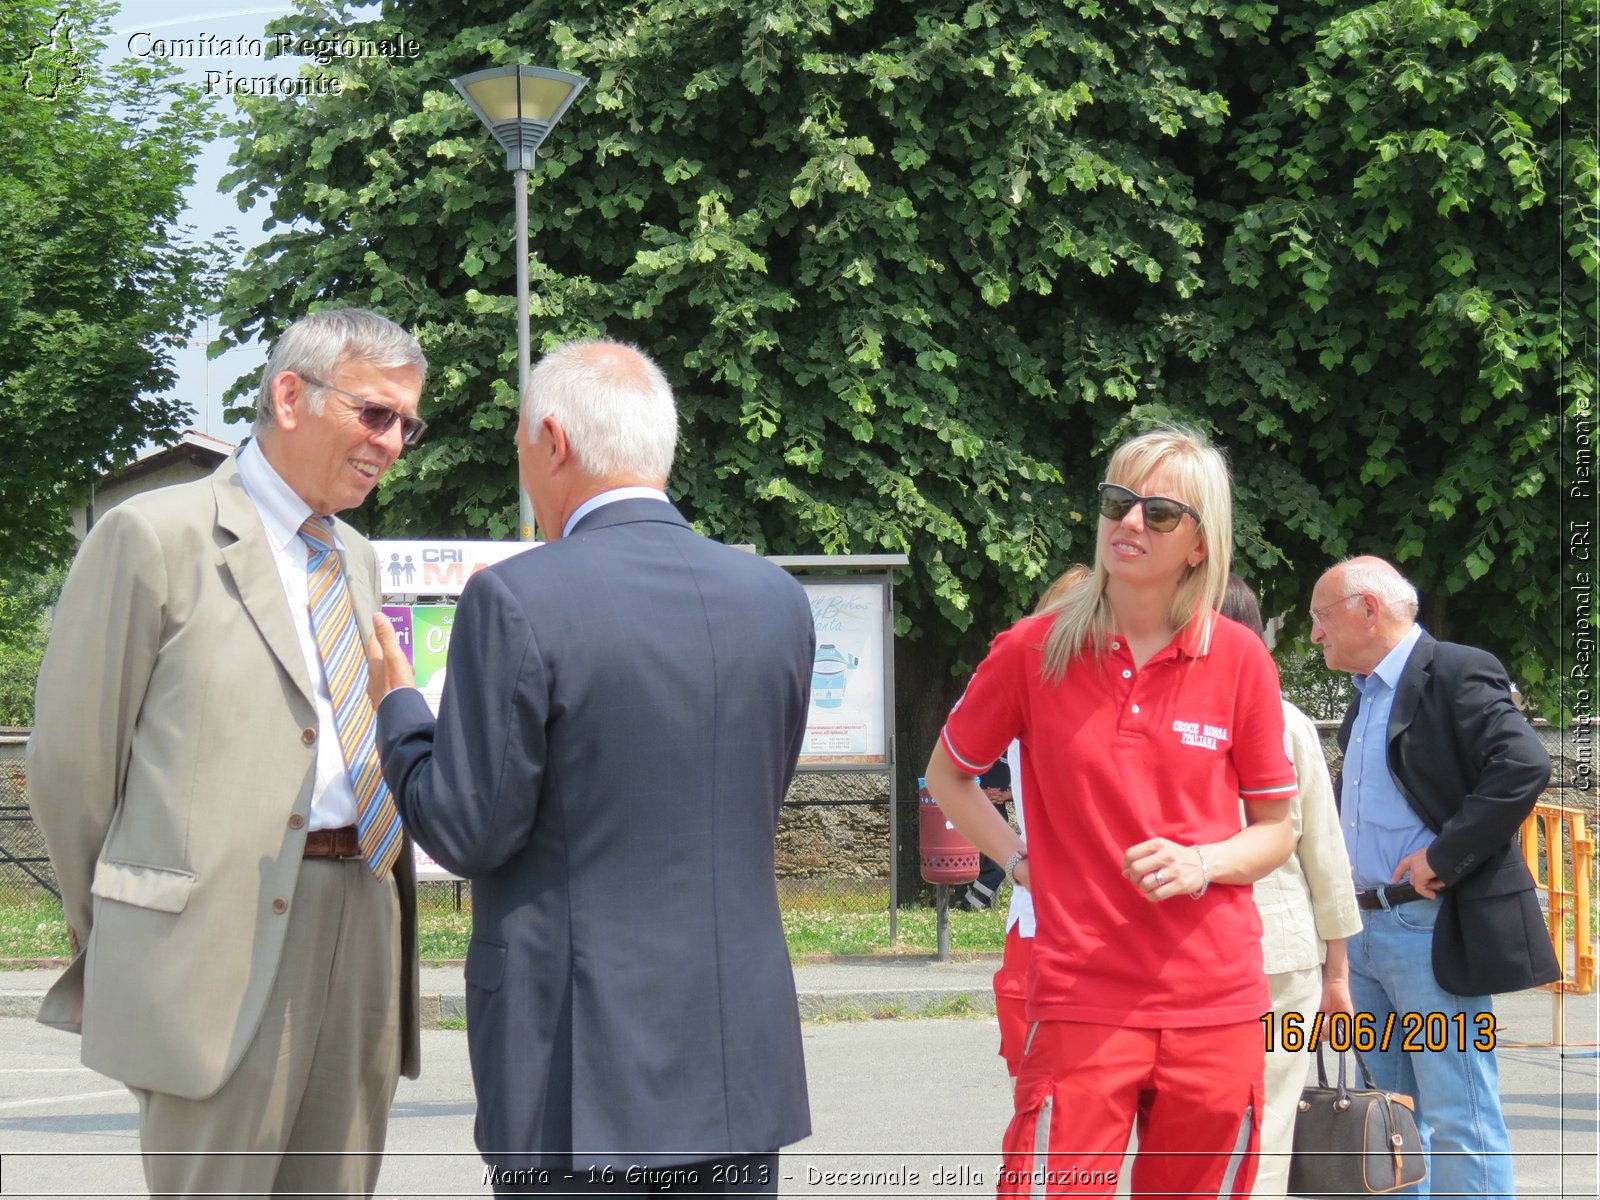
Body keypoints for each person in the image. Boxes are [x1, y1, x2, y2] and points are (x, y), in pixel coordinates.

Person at [365, 339, 813, 1197]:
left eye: (523, 446)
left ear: (555, 442)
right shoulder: (774, 600)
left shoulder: (520, 598)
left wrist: (400, 710)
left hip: (575, 1058)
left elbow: (467, 825)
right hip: (735, 1057)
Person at [26, 308, 427, 1197]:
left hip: (363, 914)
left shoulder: (355, 558)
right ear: (290, 395)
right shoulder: (152, 534)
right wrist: (133, 930)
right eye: (374, 413)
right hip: (210, 943)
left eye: (407, 423)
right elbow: (70, 768)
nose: (393, 442)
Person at [925, 427, 1298, 1199]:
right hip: (1081, 995)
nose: (1129, 523)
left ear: (1200, 543)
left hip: (1215, 1001)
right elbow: (948, 777)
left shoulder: (1239, 659)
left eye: (1160, 513)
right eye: (1117, 503)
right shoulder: (1032, 650)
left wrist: (1201, 862)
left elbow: (1276, 831)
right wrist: (1023, 863)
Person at [1309, 555, 1558, 1200]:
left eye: (1322, 617)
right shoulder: (1367, 695)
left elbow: (1524, 766)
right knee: (1387, 1117)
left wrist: (1443, 857)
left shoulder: (1454, 670)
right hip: (1362, 932)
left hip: (1427, 931)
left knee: (1458, 1114)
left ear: (1369, 609)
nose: (1314, 634)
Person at [1218, 574, 1362, 1200]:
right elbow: (1325, 859)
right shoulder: (1287, 721)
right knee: (1272, 1116)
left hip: (1203, 949)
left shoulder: (1166, 714)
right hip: (1284, 952)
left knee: (1195, 1123)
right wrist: (1337, 973)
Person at [960, 758, 1014, 911]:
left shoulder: (1015, 749)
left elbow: (1030, 784)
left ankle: (970, 905)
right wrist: (981, 792)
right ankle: (968, 904)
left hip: (997, 815)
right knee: (969, 861)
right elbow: (953, 778)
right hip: (971, 810)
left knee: (999, 865)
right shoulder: (974, 745)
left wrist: (1007, 795)